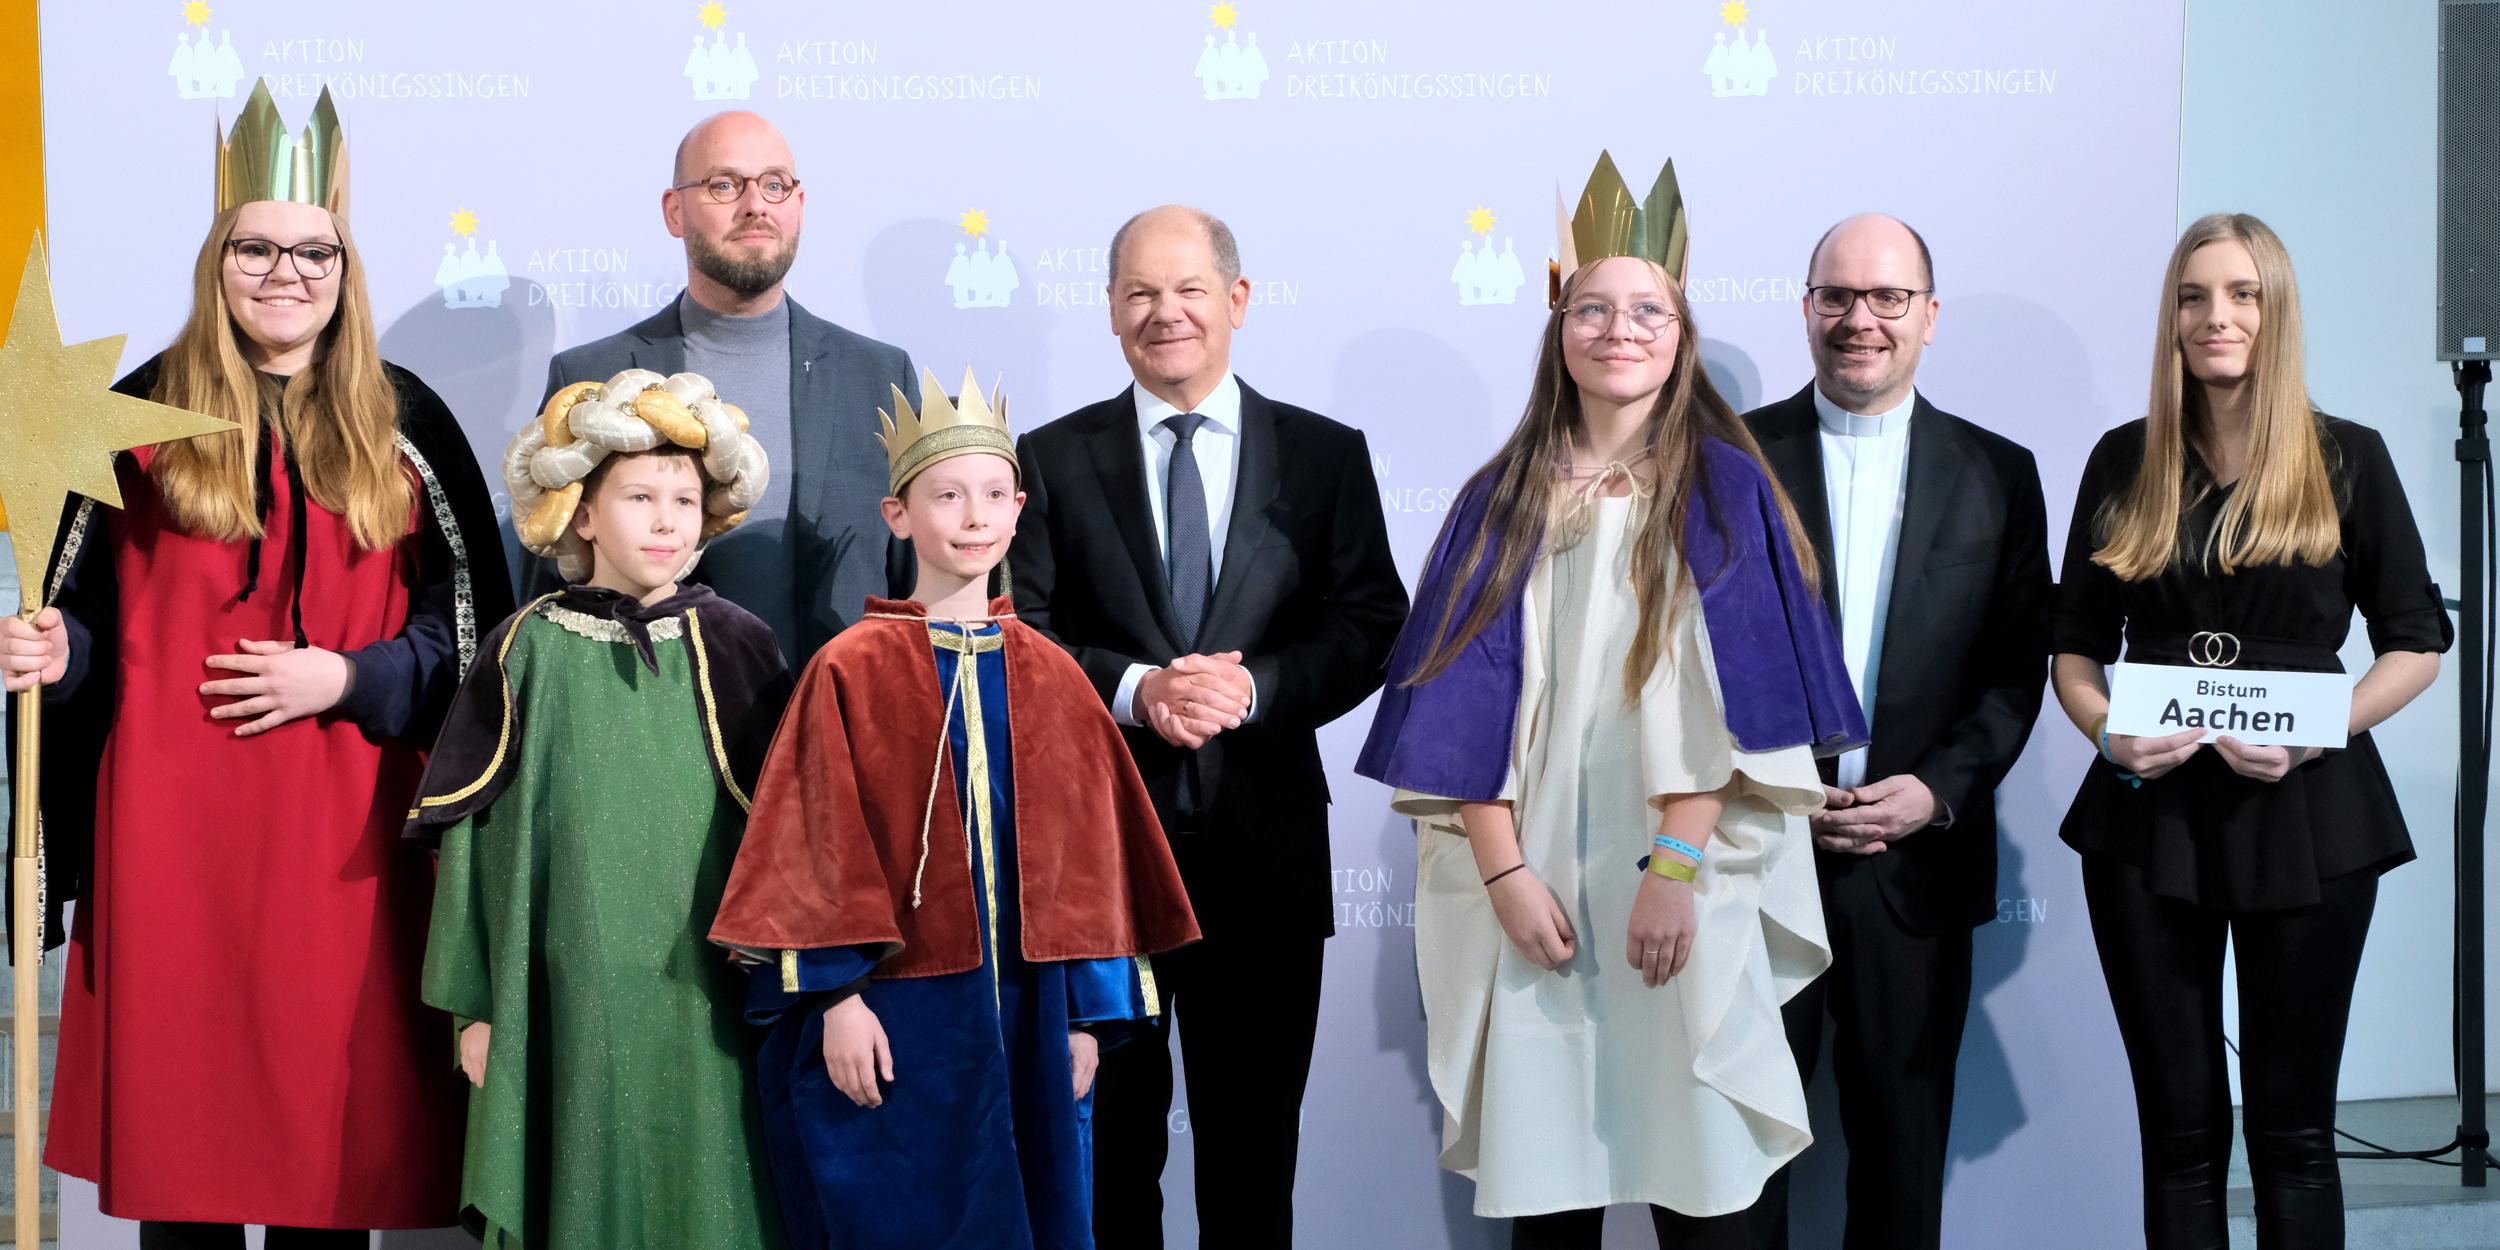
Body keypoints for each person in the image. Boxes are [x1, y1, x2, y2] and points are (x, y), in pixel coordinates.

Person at [0, 81, 512, 1247]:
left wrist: (348, 677)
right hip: (169, 844)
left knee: (322, 1161)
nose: (286, 273)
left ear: (346, 267)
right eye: (257, 248)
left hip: (342, 843)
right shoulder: (133, 418)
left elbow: (472, 637)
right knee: (185, 1162)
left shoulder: (405, 422)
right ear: (216, 259)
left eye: (313, 251)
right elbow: (84, 623)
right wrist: (56, 650)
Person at [1357, 153, 1864, 1249]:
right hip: (1533, 882)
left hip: (1686, 876)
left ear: (1680, 334)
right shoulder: (1495, 501)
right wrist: (1504, 877)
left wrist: (1673, 872)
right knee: (1552, 1196)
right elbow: (1453, 719)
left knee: (1707, 1189)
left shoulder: (1728, 492)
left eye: (1646, 310)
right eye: (1591, 308)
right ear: (1558, 331)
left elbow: (1745, 715)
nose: (1617, 329)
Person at [708, 369, 1201, 1249]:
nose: (974, 517)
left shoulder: (1052, 673)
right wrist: (836, 999)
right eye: (946, 496)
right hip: (897, 1008)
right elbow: (814, 848)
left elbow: (1091, 865)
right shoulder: (849, 668)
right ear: (898, 514)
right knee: (899, 1208)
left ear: (1019, 510)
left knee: (1032, 1203)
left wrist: (1086, 1017)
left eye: (992, 495)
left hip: (1031, 1009)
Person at [1009, 205, 1408, 1248]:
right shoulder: (1047, 459)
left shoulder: (1323, 455)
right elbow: (1019, 628)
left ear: (1237, 300)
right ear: (1109, 309)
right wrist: (1137, 688)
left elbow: (1372, 621)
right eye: (1139, 292)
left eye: (1189, 289)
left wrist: (1255, 689)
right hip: (1104, 871)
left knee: (1252, 1165)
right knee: (1109, 1163)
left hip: (1265, 864)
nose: (1165, 312)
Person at [2049, 213, 2448, 1250]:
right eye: (2193, 296)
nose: (2214, 316)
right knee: (2178, 1134)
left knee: (2293, 1132)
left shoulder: (2348, 457)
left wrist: (2319, 731)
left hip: (2310, 817)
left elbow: (2416, 642)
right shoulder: (2122, 459)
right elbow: (2073, 648)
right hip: (2147, 821)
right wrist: (2106, 735)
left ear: (2276, 312)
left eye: (2241, 294)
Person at [409, 369, 789, 1249]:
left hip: (709, 994)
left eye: (684, 501)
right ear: (582, 514)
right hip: (569, 991)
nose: (666, 521)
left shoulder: (740, 644)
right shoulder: (526, 648)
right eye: (639, 498)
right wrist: (478, 1007)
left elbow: (788, 833)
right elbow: (473, 844)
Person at [1741, 215, 2052, 1250]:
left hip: (1916, 864)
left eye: (1887, 297)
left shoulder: (1999, 472)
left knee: (1902, 1159)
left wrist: (1936, 789)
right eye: (1836, 296)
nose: (1859, 319)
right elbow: (1689, 662)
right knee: (1736, 1163)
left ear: (1929, 315)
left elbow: (2015, 669)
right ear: (1805, 309)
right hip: (1754, 858)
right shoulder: (1727, 459)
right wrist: (1778, 788)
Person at [542, 110, 919, 662]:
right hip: (652, 700)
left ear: (799, 205)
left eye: (775, 185)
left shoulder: (879, 377)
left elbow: (915, 587)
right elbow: (552, 599)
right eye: (724, 185)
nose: (755, 205)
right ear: (675, 211)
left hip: (841, 705)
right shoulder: (590, 378)